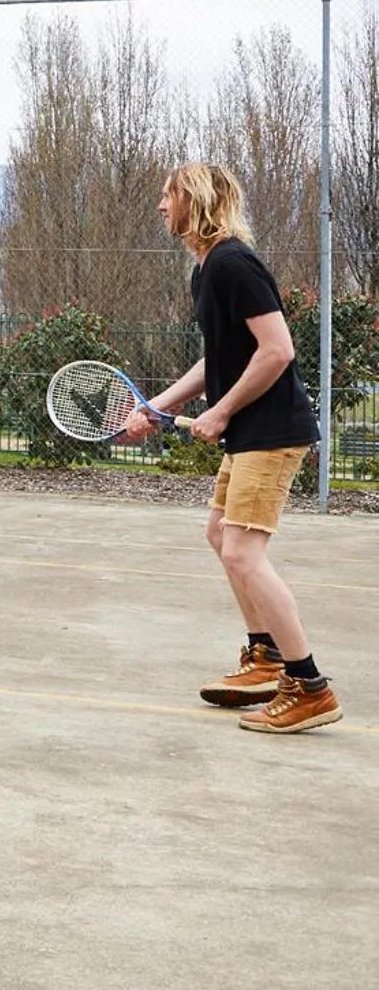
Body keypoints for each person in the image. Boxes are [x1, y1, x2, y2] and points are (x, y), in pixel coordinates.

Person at [122, 163, 337, 733]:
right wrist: (159, 409)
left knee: (243, 552)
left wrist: (219, 412)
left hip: (272, 433)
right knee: (220, 536)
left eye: (167, 197)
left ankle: (310, 685)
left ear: (192, 200)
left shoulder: (232, 263)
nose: (161, 208)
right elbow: (219, 360)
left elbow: (277, 350)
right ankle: (265, 657)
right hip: (250, 432)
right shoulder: (206, 271)